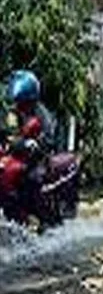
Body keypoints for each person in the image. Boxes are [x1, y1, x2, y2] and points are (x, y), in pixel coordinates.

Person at [5, 70, 56, 211]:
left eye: (22, 102)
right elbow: (10, 131)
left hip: (37, 158)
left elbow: (49, 137)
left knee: (33, 179)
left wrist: (36, 143)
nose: (19, 105)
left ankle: (34, 216)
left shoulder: (41, 113)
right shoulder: (14, 112)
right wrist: (11, 140)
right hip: (16, 154)